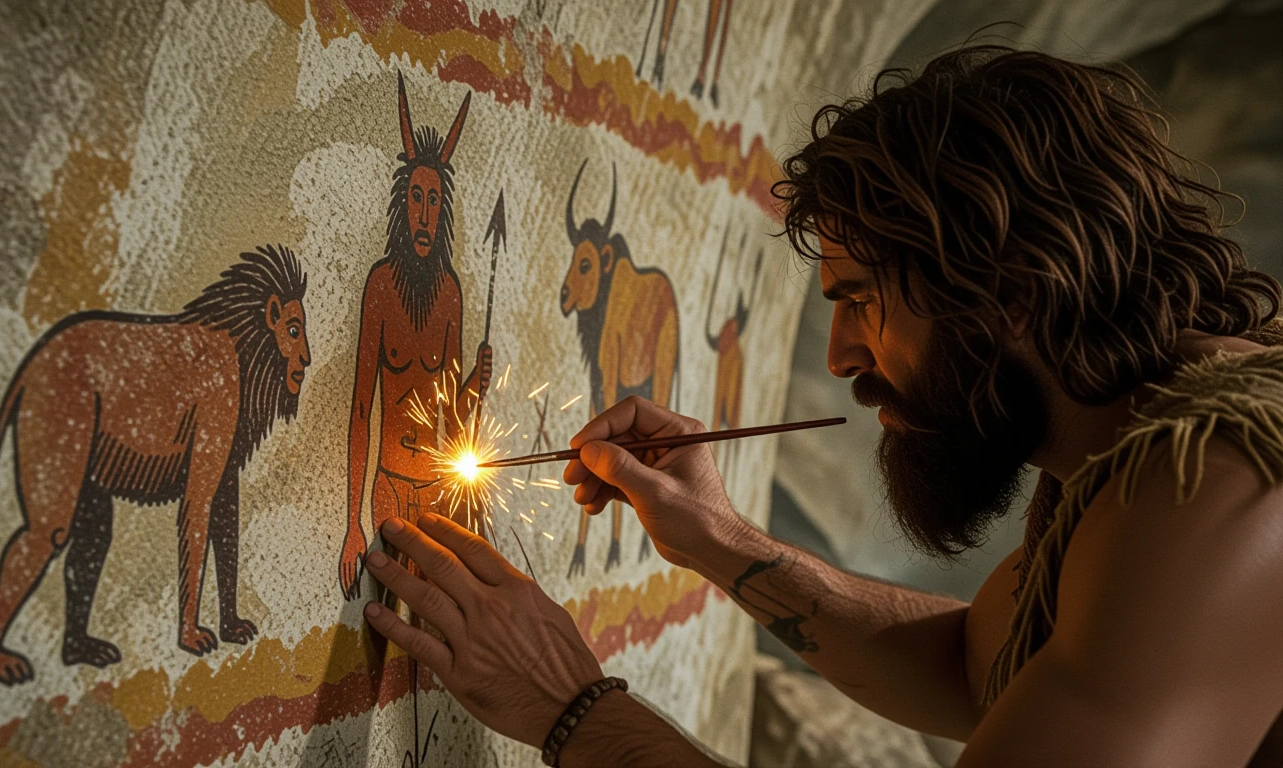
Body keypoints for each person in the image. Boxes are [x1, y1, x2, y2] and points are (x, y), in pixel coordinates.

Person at [360, 45, 1283, 766]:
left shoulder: (1216, 480)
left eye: (859, 302)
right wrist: (716, 536)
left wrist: (572, 710)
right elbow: (975, 670)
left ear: (1010, 290)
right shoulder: (1127, 448)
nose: (845, 358)